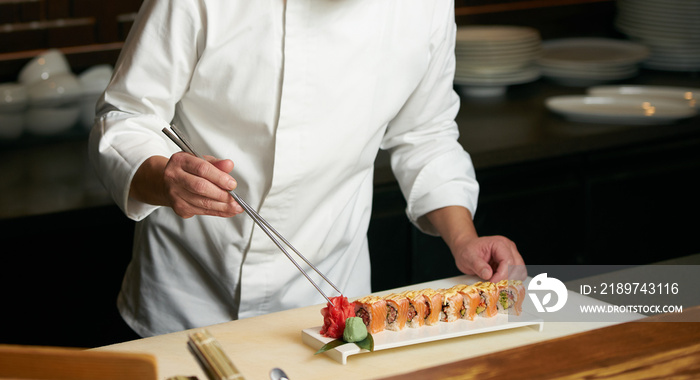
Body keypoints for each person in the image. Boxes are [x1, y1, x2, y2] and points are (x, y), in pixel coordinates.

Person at [89, 0, 525, 338]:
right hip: (188, 302)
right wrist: (165, 179)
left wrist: (465, 238)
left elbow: (425, 134)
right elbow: (125, 117)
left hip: (331, 300)